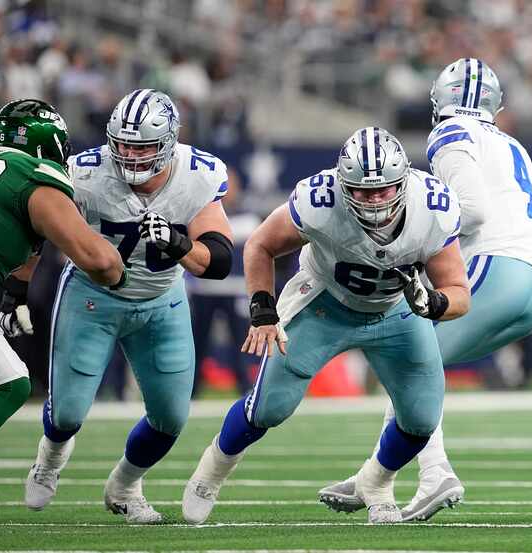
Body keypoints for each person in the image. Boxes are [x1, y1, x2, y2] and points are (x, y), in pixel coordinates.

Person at [181, 127, 470, 525]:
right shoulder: (319, 199)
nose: (374, 201)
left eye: (383, 190)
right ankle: (212, 471)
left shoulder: (433, 208)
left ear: (403, 182)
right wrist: (263, 309)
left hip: (393, 310)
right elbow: (260, 244)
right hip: (324, 303)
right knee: (270, 407)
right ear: (342, 183)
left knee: (422, 417)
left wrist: (435, 303)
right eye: (363, 192)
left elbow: (458, 291)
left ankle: (375, 481)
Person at [318, 58, 532, 521]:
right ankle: (372, 478)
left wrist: (419, 246)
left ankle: (432, 472)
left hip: (493, 268)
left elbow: (473, 212)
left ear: (441, 98)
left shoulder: (450, 134)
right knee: (419, 365)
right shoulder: (512, 144)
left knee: (410, 363)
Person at [23, 89, 234, 524]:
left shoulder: (198, 174)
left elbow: (218, 260)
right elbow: (36, 227)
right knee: (67, 411)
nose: (131, 155)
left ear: (170, 142)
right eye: (123, 144)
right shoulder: (82, 172)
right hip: (92, 294)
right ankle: (50, 456)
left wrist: (178, 244)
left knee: (171, 417)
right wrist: (14, 289)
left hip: (161, 298)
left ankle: (125, 485)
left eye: (142, 146)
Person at [0, 98, 125, 455]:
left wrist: (16, 289)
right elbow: (103, 264)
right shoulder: (35, 176)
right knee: (8, 382)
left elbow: (17, 230)